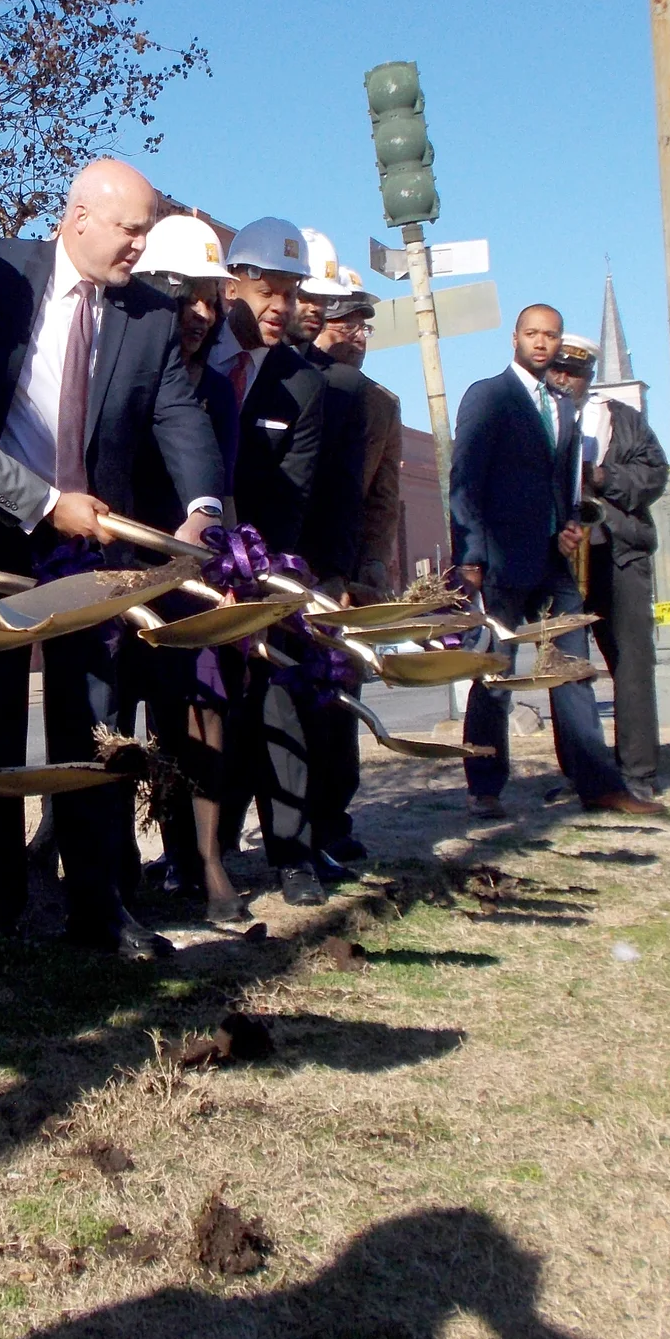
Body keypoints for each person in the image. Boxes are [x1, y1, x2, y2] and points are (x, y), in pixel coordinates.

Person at [0, 152, 223, 954]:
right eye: (127, 230)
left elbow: (179, 415)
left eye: (145, 234)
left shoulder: (149, 315)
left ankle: (100, 903)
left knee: (96, 724)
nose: (137, 249)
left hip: (91, 543)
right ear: (78, 217)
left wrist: (202, 510)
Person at [449, 307, 647, 819]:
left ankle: (597, 783)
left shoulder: (562, 404)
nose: (542, 343)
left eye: (551, 336)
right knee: (494, 671)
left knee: (573, 669)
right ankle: (485, 787)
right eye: (533, 334)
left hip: (552, 561)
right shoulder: (488, 396)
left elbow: (561, 480)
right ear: (514, 337)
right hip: (498, 560)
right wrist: (469, 555)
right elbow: (465, 480)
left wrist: (569, 523)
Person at [203, 218, 335, 902]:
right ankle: (202, 851)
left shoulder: (302, 385)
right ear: (234, 284)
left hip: (264, 569)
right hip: (189, 572)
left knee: (279, 702)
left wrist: (254, 579)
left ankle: (293, 854)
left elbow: (294, 494)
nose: (283, 305)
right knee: (201, 708)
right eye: (269, 288)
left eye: (292, 291)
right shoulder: (189, 352)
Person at [126, 213, 249, 924]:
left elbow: (220, 482)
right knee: (129, 721)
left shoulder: (220, 391)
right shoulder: (116, 361)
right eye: (187, 296)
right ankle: (114, 867)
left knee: (202, 713)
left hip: (192, 572)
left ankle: (205, 860)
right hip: (120, 567)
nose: (201, 314)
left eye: (211, 297)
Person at [549, 336, 668, 805]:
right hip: (560, 559)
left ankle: (638, 770)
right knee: (564, 670)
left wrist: (601, 479)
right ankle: (581, 771)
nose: (563, 379)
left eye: (573, 373)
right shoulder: (536, 415)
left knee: (633, 663)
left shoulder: (623, 418)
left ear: (590, 376)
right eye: (557, 370)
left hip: (618, 555)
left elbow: (656, 475)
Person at [288, 232, 374, 875]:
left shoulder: (344, 387)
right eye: (308, 297)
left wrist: (341, 570)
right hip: (247, 564)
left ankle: (326, 828)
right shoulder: (257, 366)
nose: (315, 309)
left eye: (328, 300)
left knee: (326, 706)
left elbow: (347, 493)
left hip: (318, 572)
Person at [311, 273, 405, 598]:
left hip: (346, 572)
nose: (360, 338)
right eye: (347, 326)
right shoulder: (280, 380)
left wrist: (375, 561)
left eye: (364, 328)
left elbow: (383, 498)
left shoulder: (383, 405)